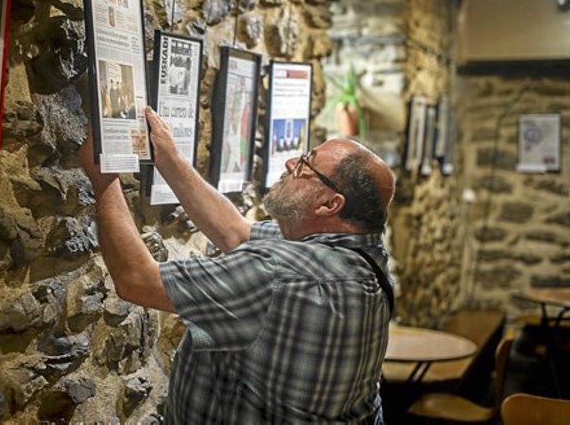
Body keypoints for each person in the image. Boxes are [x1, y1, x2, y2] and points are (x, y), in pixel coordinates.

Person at [78, 106, 396, 424]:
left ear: (329, 204)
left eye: (305, 165)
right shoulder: (361, 254)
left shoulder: (282, 273)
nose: (290, 163)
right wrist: (170, 159)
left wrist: (103, 178)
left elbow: (138, 280)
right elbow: (236, 232)